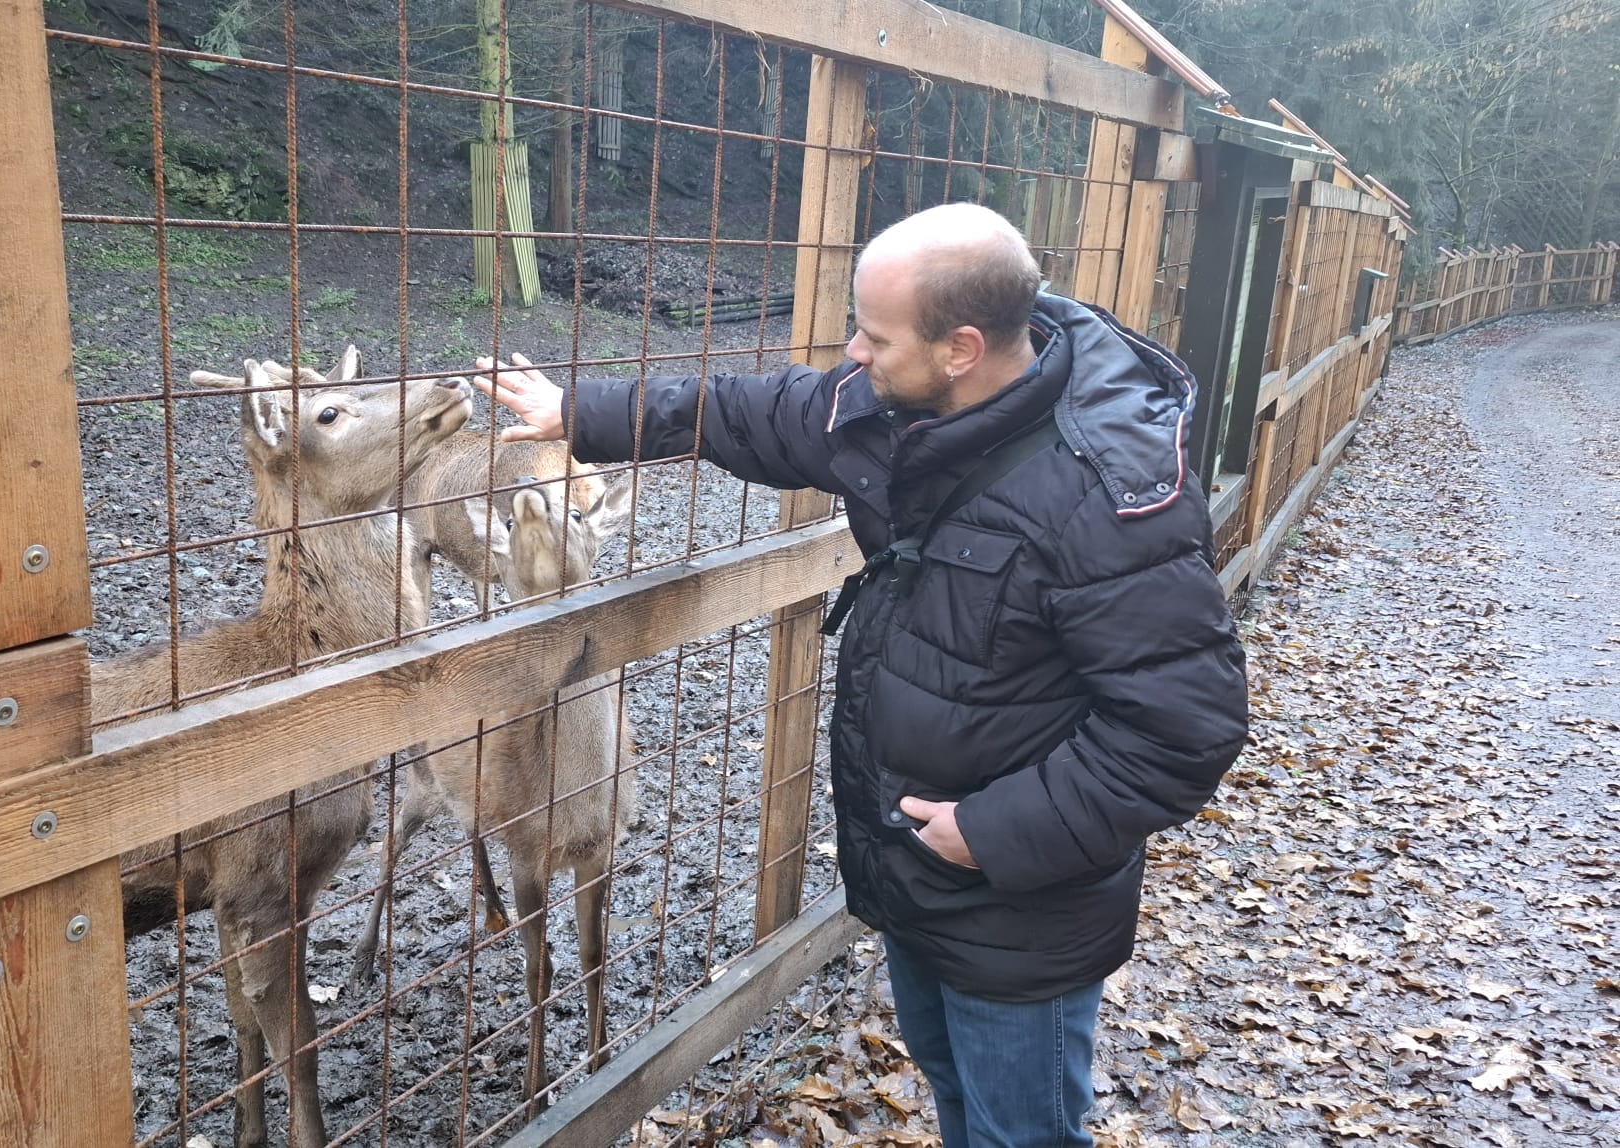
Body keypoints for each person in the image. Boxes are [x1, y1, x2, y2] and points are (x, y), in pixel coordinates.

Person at [469, 202, 1249, 1148]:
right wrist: (581, 415)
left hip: (1021, 908)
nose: (853, 351)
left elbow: (1184, 729)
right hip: (917, 868)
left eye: (874, 336)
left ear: (961, 348)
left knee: (1022, 1132)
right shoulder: (897, 408)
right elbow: (752, 411)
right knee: (955, 1091)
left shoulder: (1108, 496)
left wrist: (987, 834)